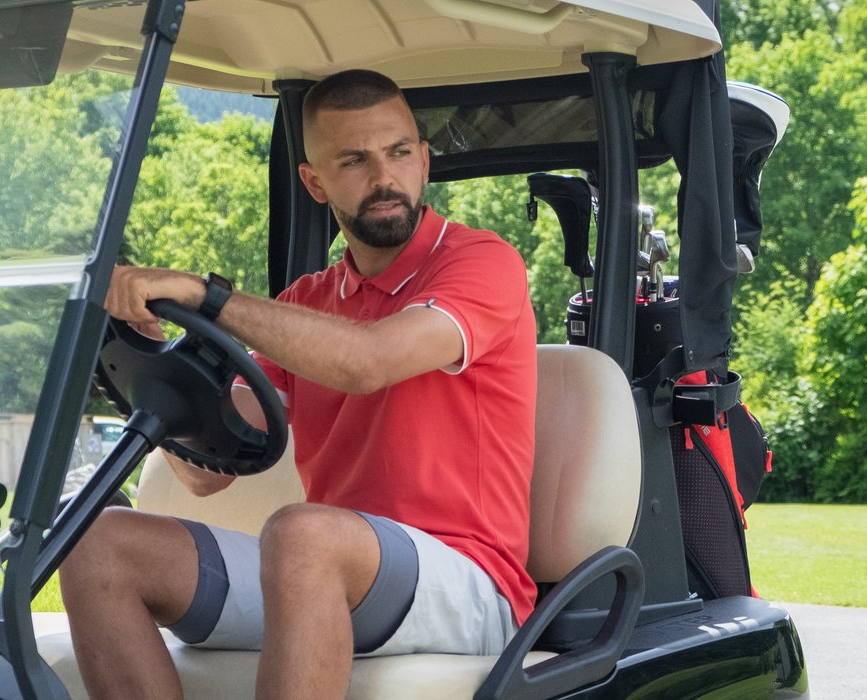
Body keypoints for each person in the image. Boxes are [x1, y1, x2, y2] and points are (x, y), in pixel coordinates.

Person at [63, 69, 538, 700]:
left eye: (399, 153)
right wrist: (138, 367)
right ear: (314, 182)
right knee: (94, 541)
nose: (383, 178)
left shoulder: (481, 262)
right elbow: (210, 471)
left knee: (302, 531)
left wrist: (206, 298)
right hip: (325, 574)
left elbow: (368, 361)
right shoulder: (309, 303)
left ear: (424, 161)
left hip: (468, 584)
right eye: (354, 161)